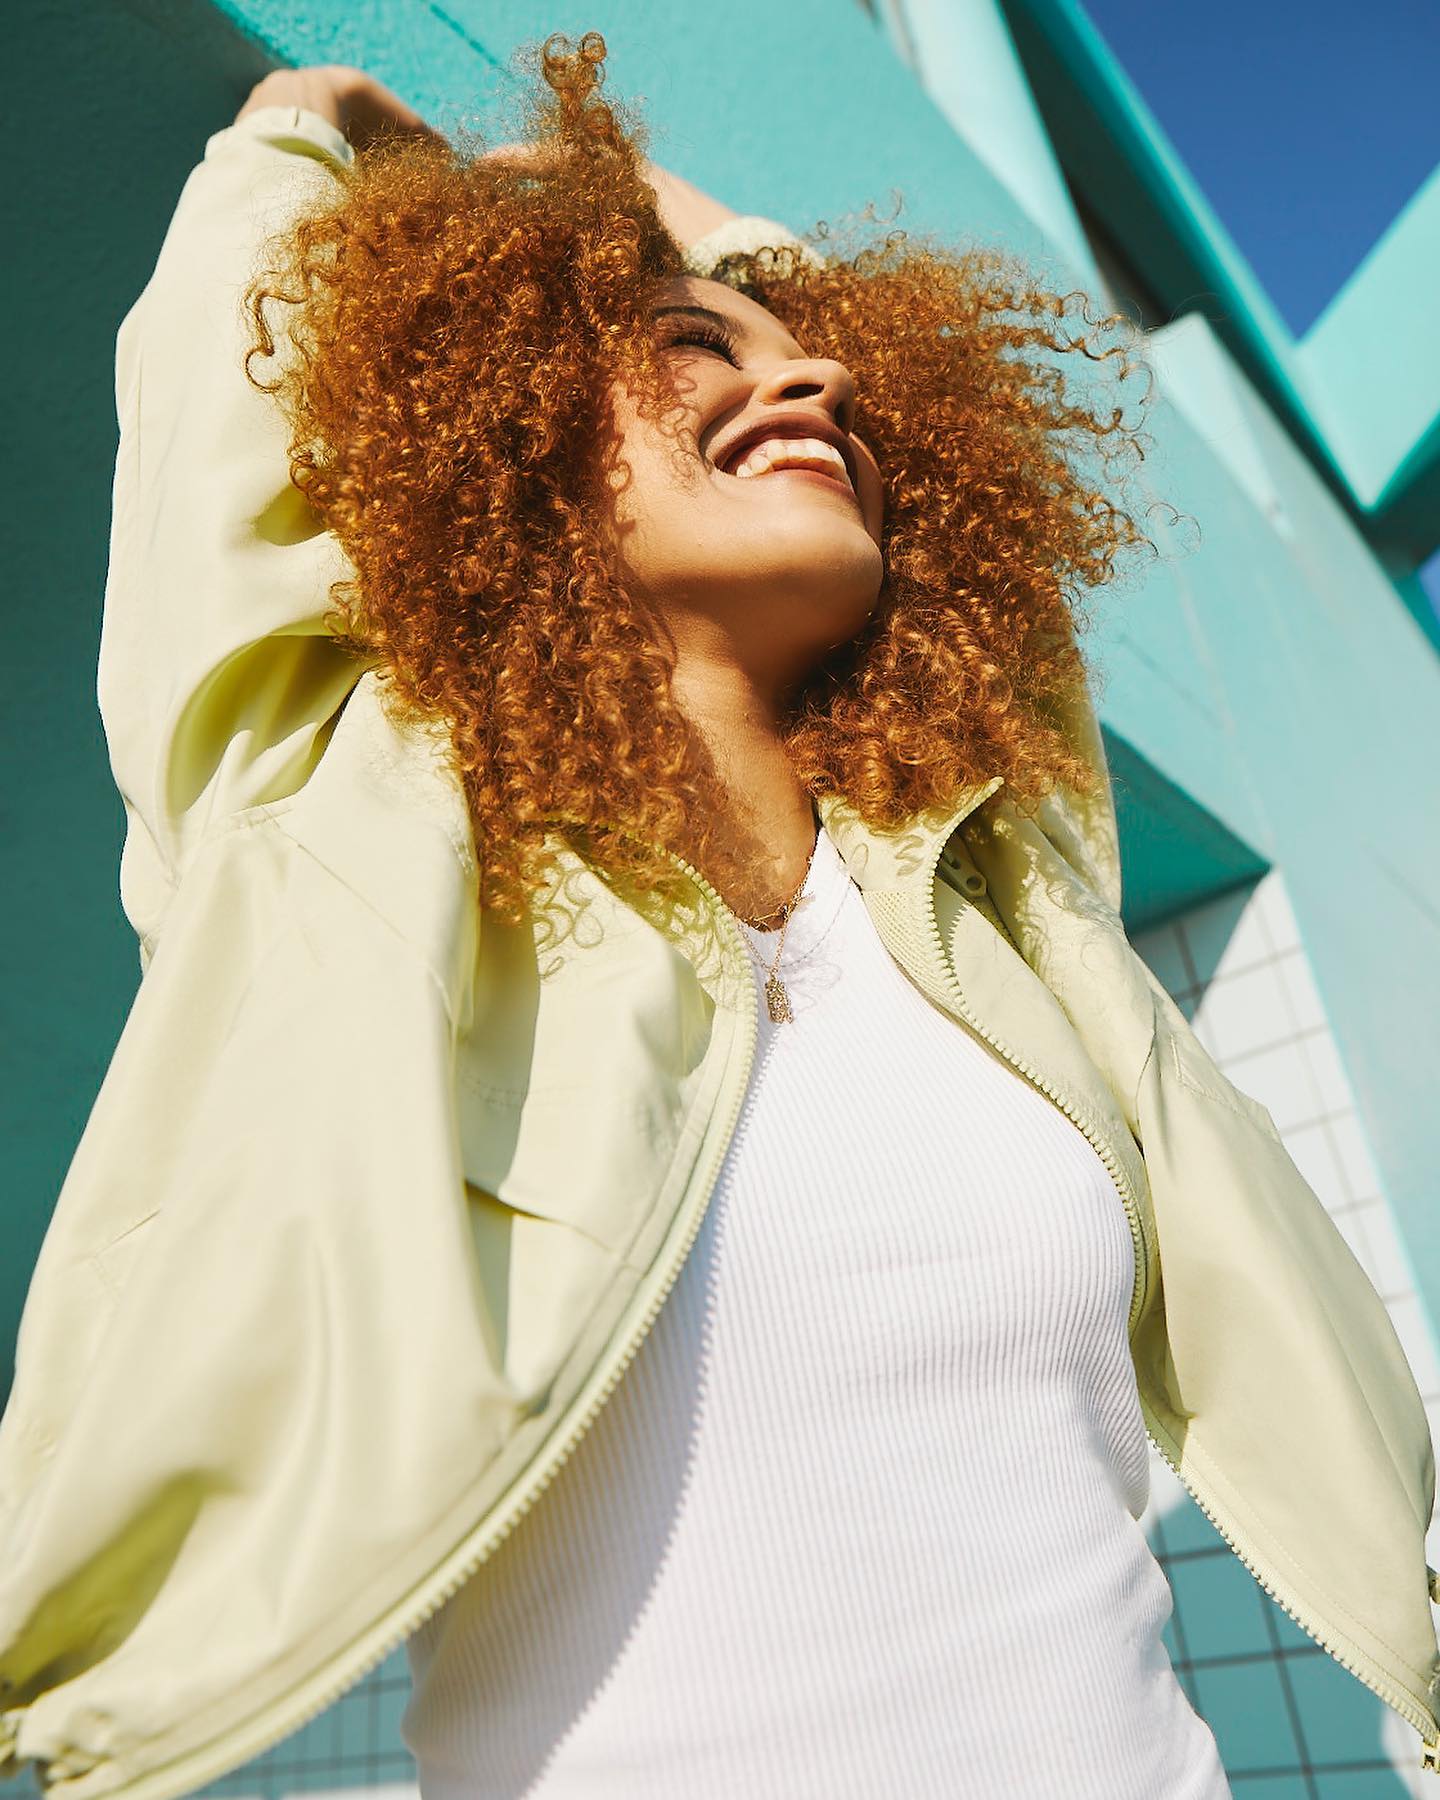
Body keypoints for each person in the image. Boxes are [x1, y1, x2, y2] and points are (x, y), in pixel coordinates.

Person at [1, 32, 1437, 1800]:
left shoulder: (1005, 888)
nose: (810, 385)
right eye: (698, 352)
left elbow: (844, 378)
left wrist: (699, 246)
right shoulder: (344, 830)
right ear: (515, 437)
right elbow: (209, 474)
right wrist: (302, 127)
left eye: (821, 370)